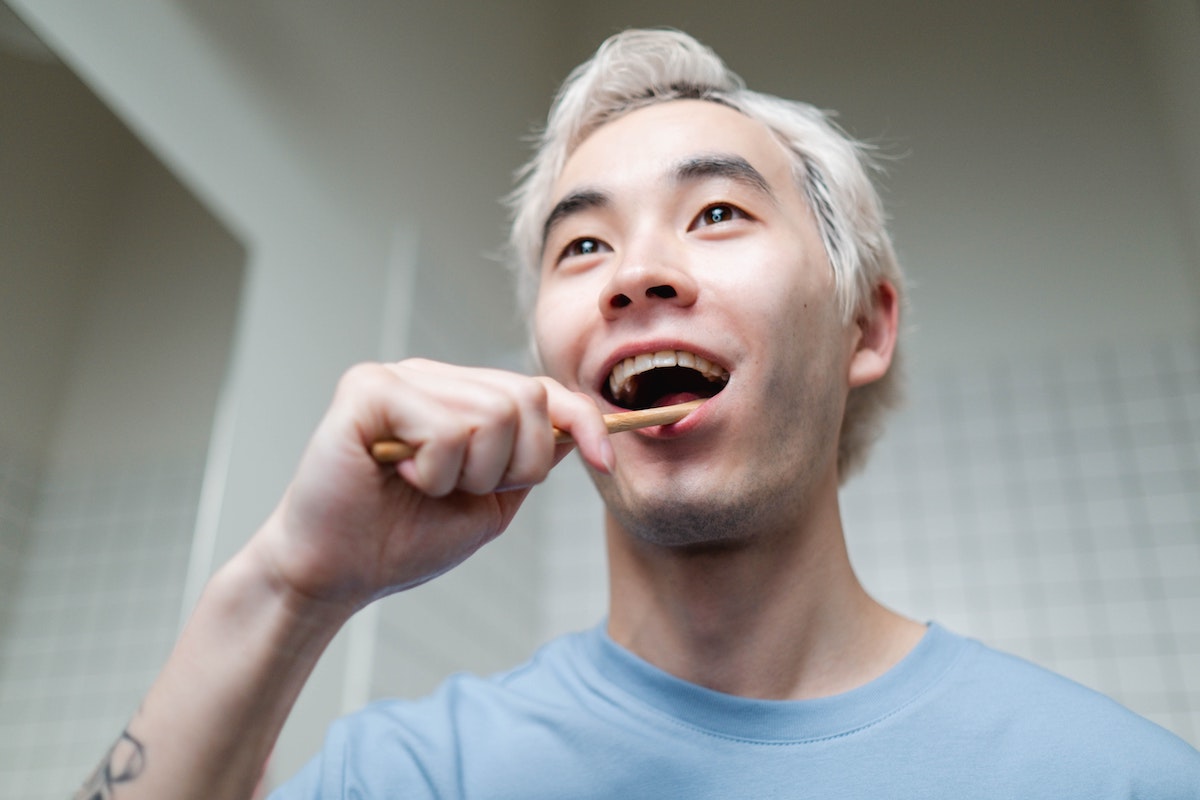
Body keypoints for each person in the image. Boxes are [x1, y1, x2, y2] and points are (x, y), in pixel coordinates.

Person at [77, 28, 1199, 800]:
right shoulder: (420, 773)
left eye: (716, 212)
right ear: (554, 368)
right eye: (584, 244)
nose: (635, 274)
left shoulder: (1112, 775)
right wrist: (289, 583)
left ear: (865, 326)